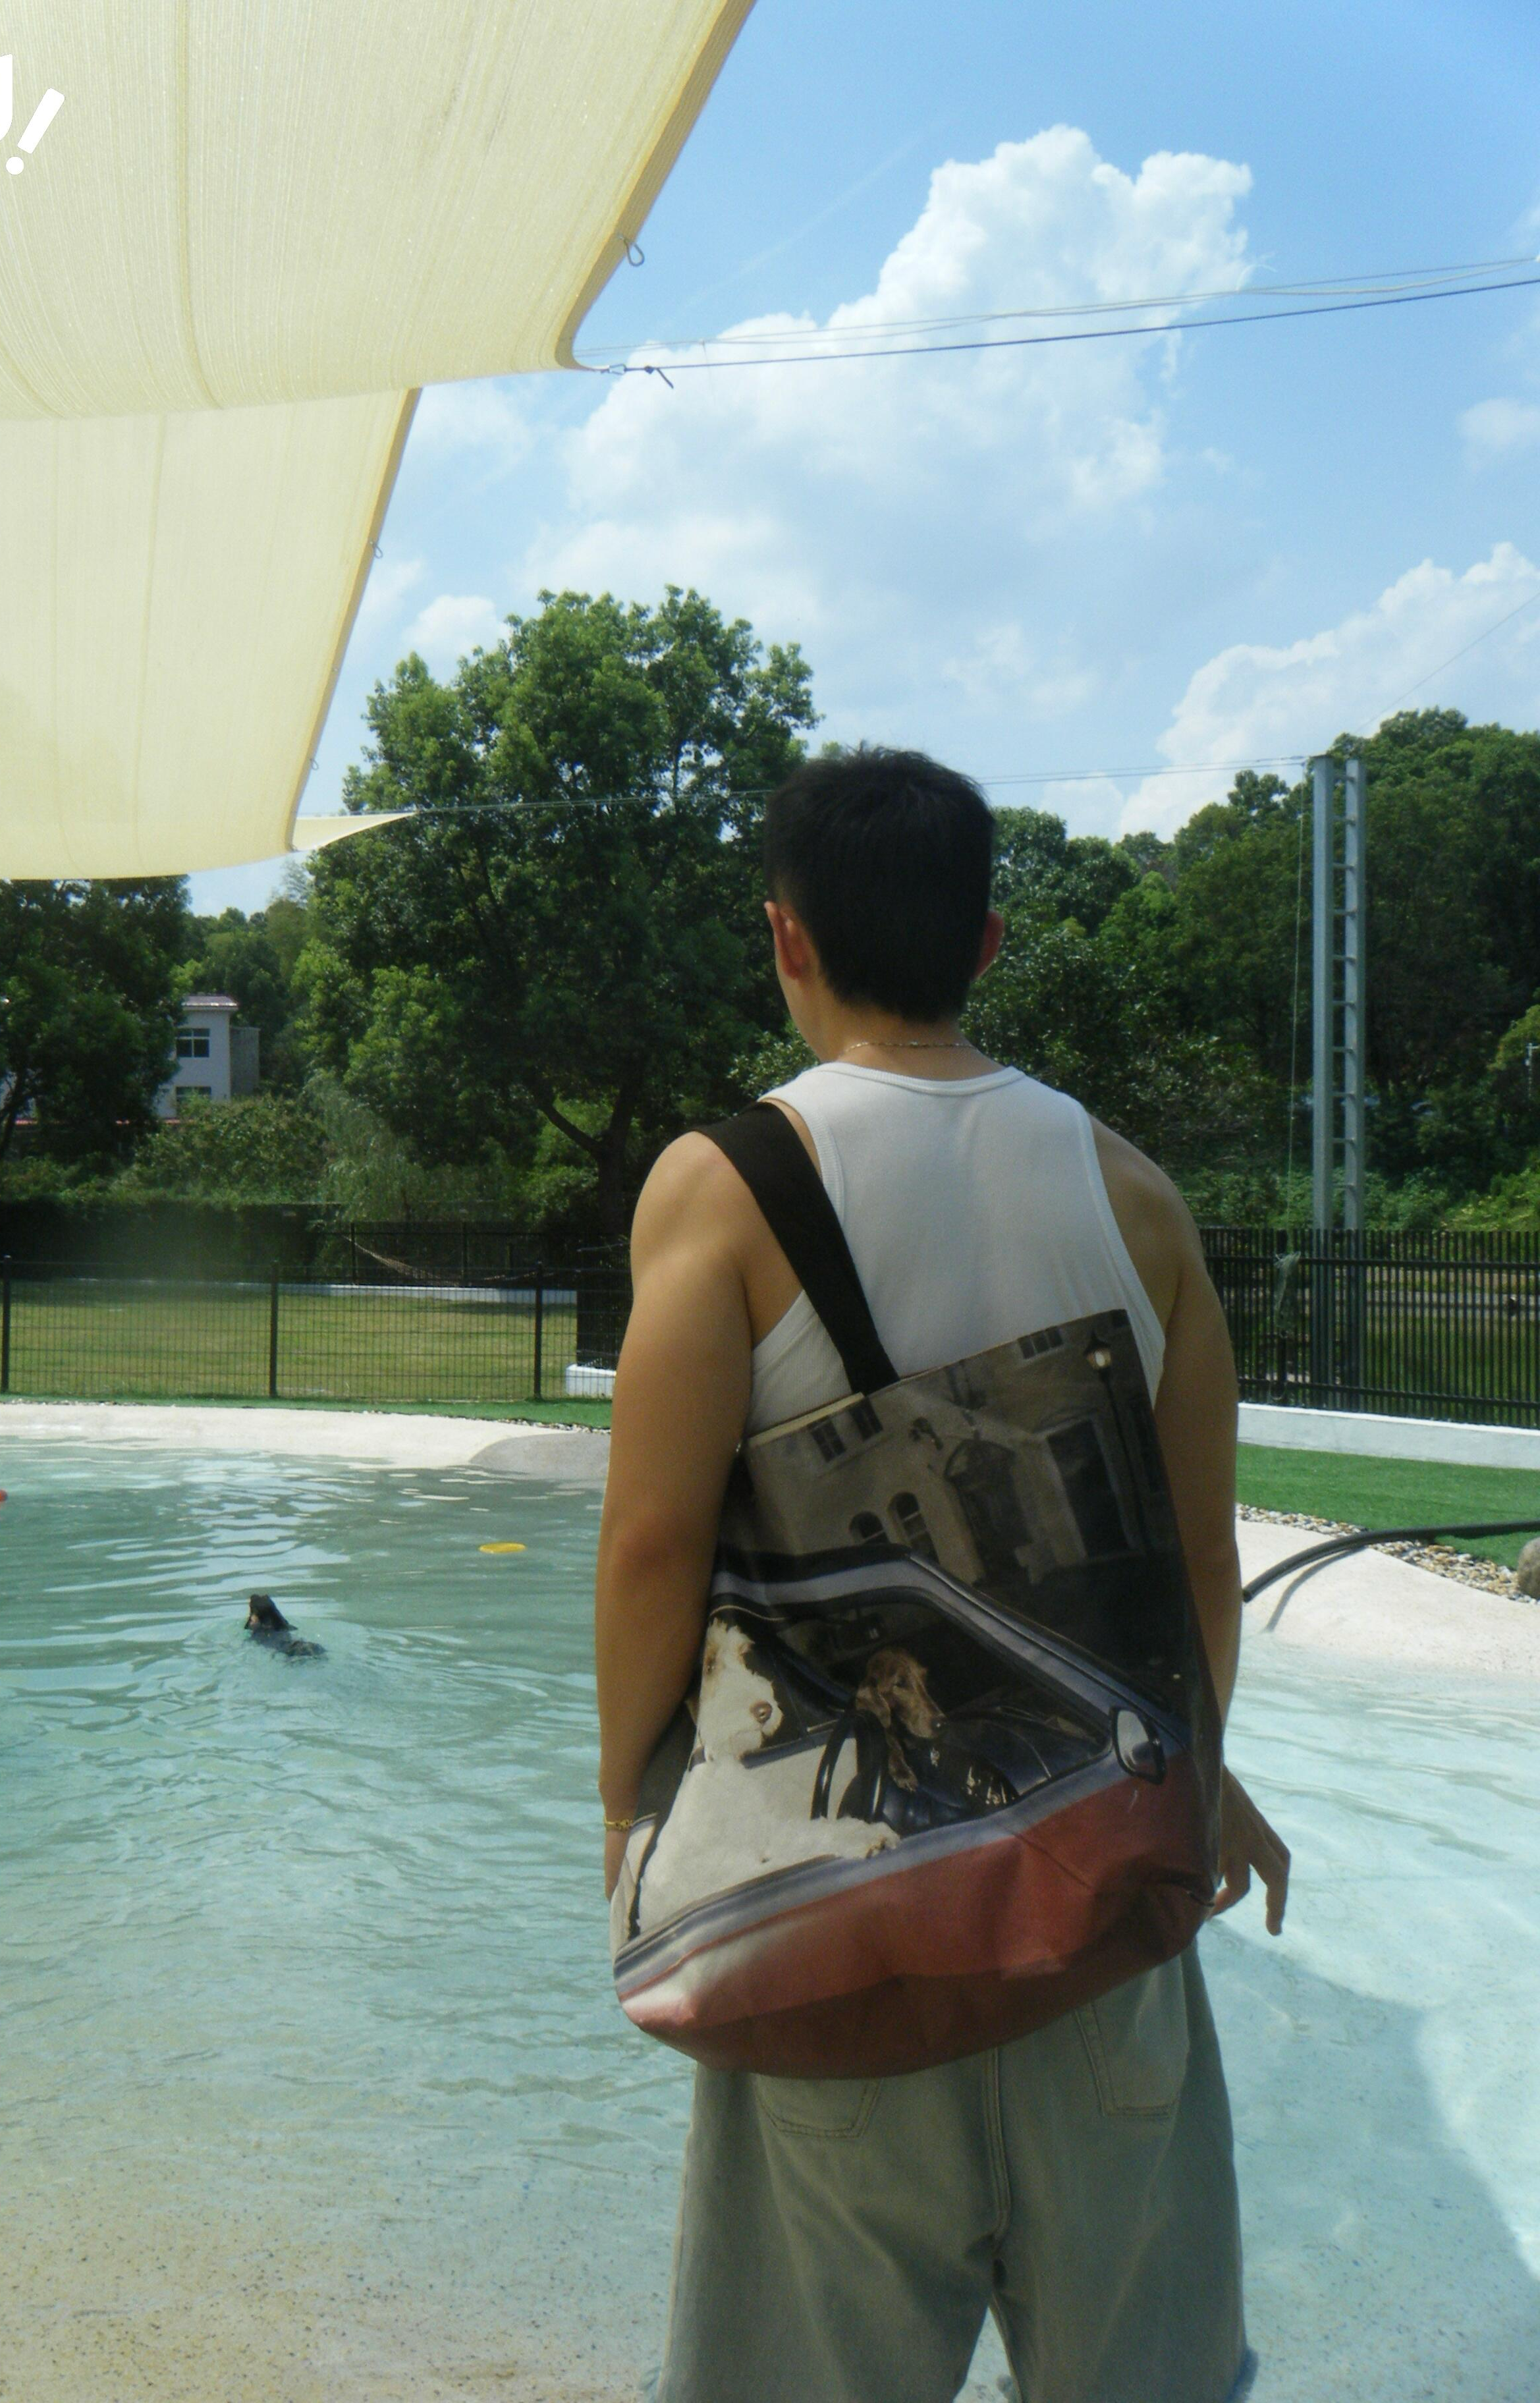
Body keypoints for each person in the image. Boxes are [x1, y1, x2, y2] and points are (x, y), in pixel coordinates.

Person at [595, 747, 1290, 2403]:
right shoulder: (1136, 1194)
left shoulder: (725, 1187)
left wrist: (627, 1804)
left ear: (787, 939)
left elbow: (652, 1547)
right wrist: (1195, 1790)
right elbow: (1200, 1555)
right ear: (988, 943)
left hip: (847, 1926)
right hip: (1102, 1924)